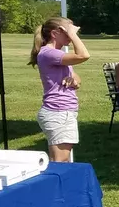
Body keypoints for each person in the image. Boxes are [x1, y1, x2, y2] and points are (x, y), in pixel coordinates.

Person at [29, 18, 90, 163]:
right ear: (54, 33)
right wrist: (74, 35)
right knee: (61, 161)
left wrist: (73, 80)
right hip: (58, 112)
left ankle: (53, 185)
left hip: (61, 112)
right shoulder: (49, 53)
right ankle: (54, 186)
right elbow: (83, 55)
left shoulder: (56, 54)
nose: (70, 35)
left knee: (59, 160)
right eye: (67, 32)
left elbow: (76, 76)